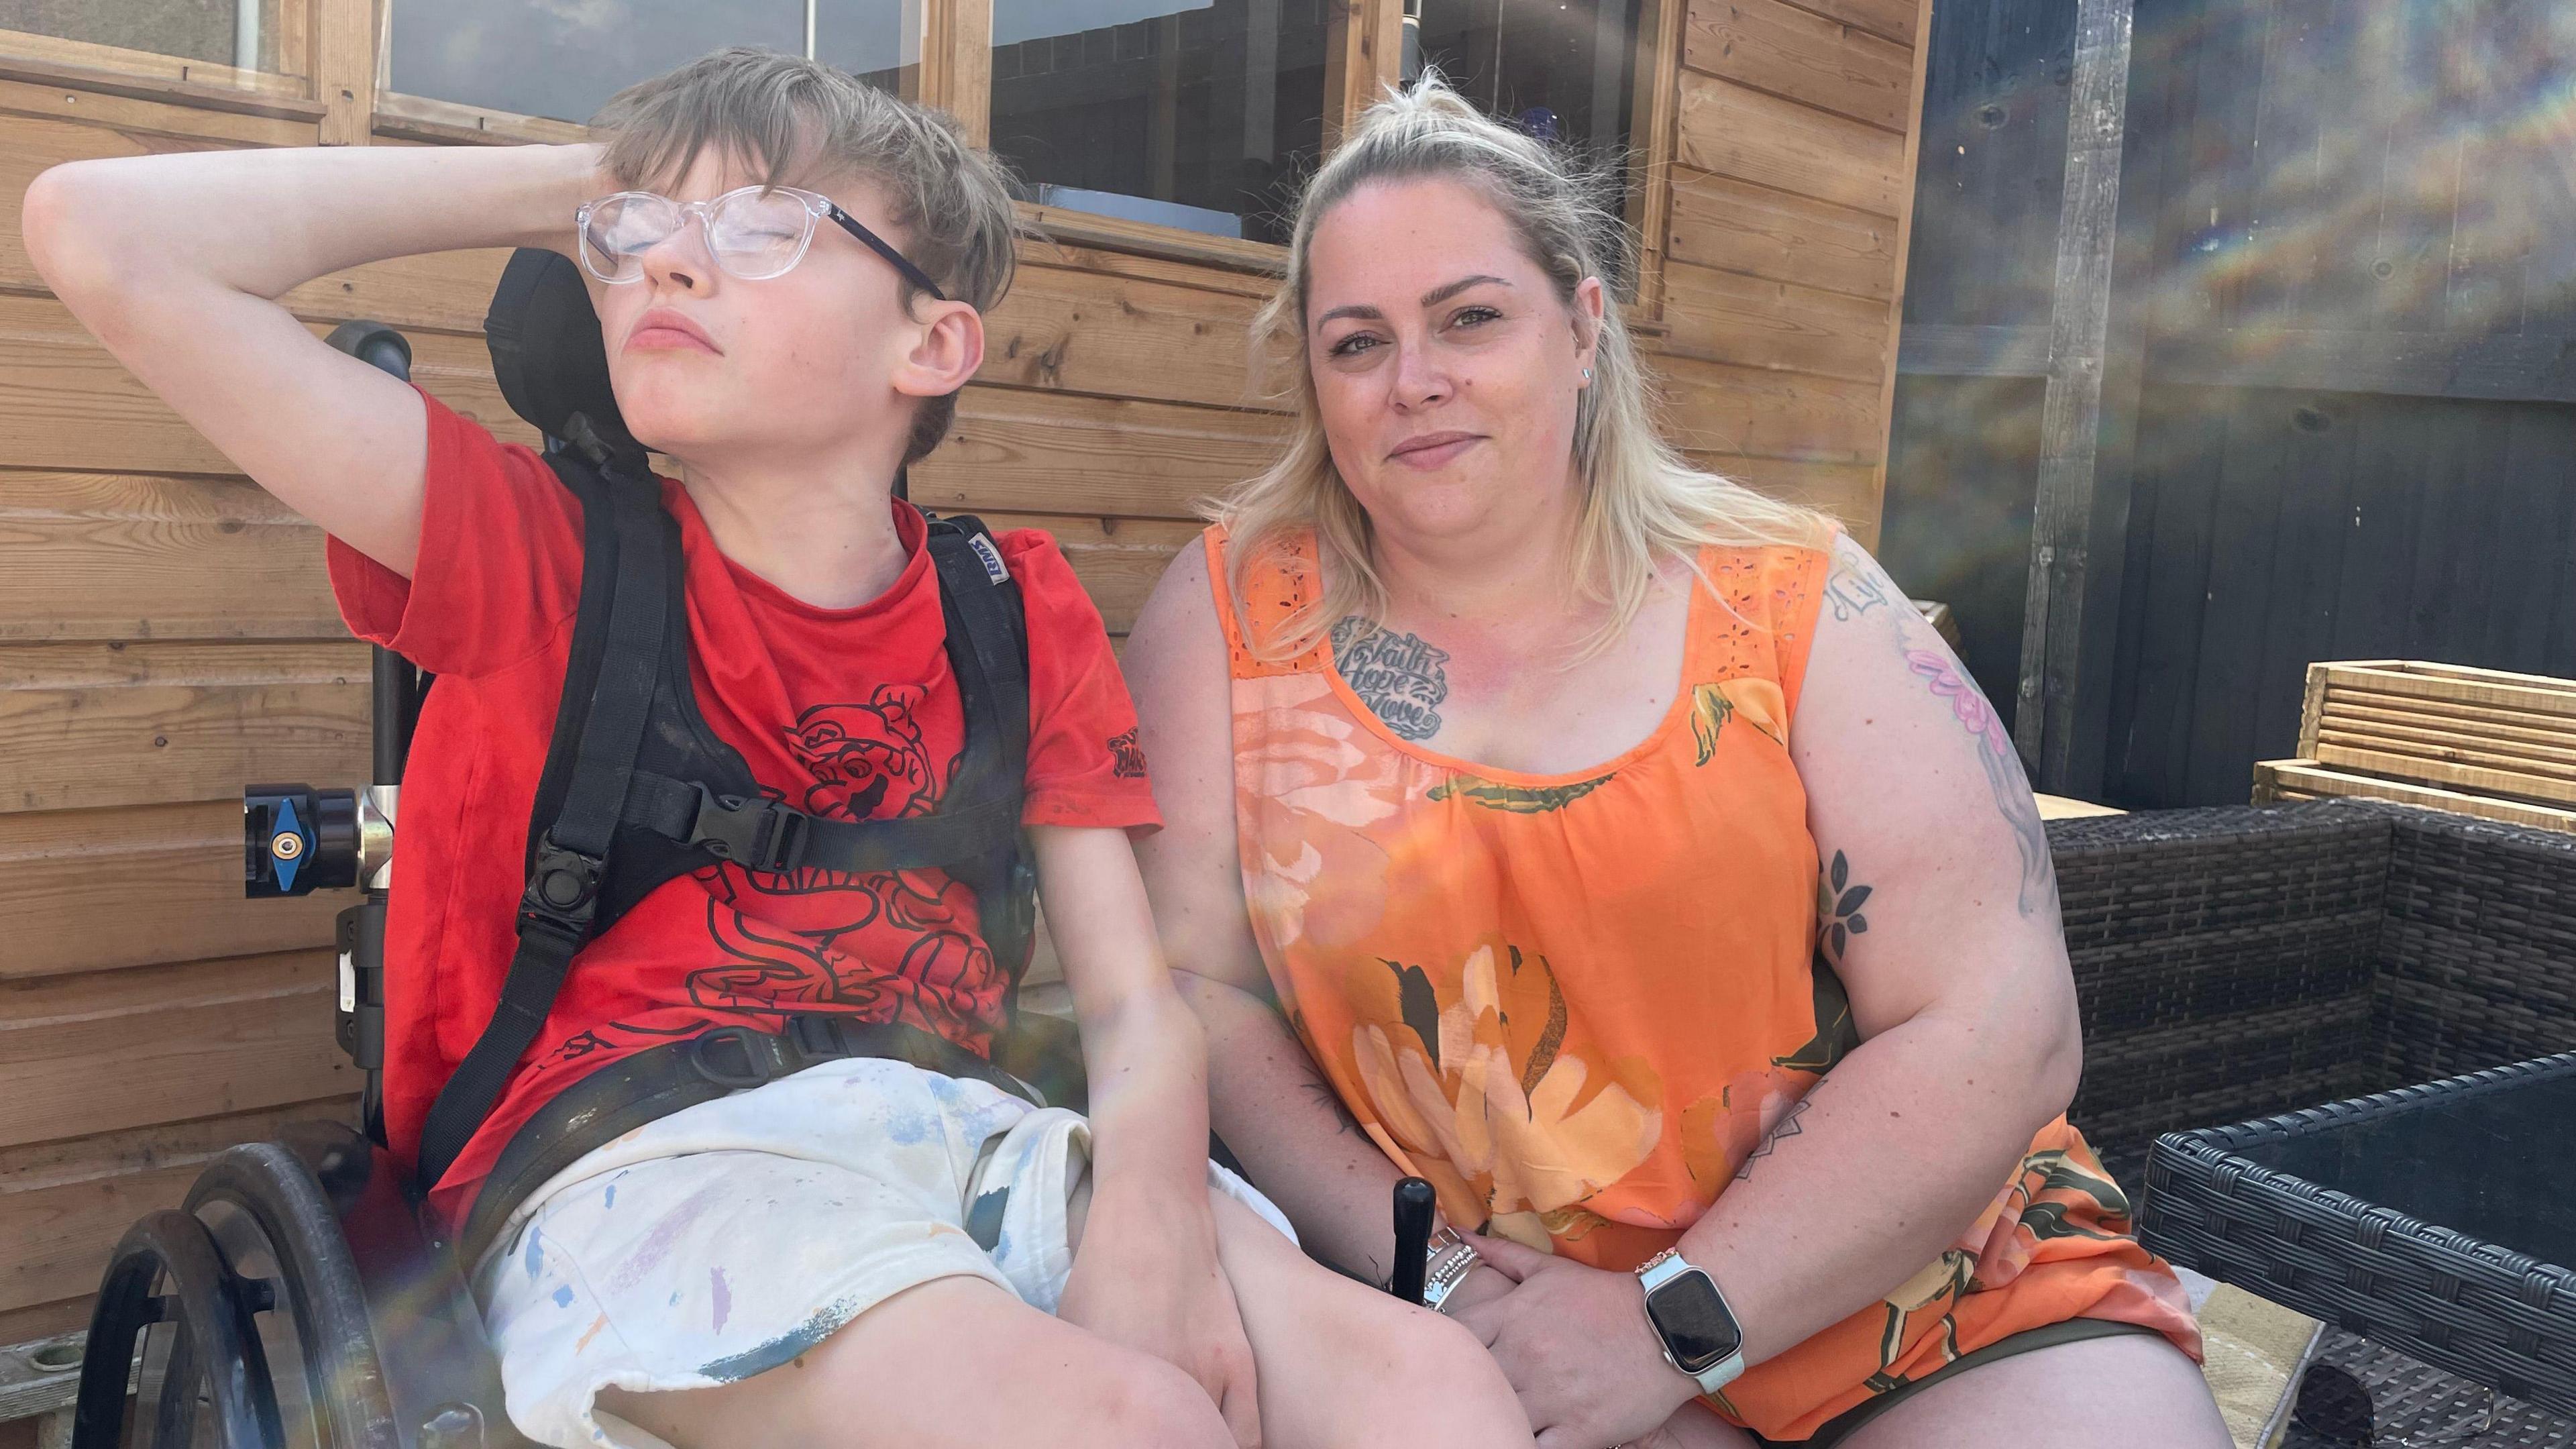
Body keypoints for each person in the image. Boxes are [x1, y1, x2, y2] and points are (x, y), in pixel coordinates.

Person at [23, 48, 1529, 1449]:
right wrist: (572, 182)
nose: (673, 257)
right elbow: (100, 234)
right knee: (1121, 1426)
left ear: (933, 340)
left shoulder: (1011, 606)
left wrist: (1153, 1225)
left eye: (765, 226)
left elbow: (1136, 1005)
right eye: (639, 236)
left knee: (1433, 1391)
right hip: (643, 1169)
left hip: (969, 1137)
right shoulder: (537, 558)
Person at [1123, 75, 2232, 1449]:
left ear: (1583, 327)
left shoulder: (1794, 600)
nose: (1416, 382)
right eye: (1357, 344)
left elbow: (2000, 1024)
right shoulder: (1231, 618)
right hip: (1491, 1331)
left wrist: (1672, 1321)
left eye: (1471, 318)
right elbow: (1196, 988)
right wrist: (1442, 1282)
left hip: (1923, 1298)